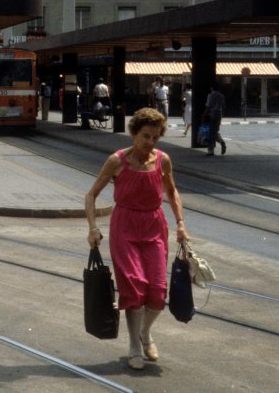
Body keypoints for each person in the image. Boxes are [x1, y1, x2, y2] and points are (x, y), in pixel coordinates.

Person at [85, 108, 189, 370]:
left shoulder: (163, 160)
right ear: (133, 134)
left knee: (156, 290)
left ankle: (145, 332)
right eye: (145, 136)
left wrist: (180, 223)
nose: (150, 143)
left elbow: (172, 192)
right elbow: (91, 195)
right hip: (125, 226)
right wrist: (92, 228)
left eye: (155, 137)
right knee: (134, 287)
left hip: (154, 225)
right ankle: (134, 344)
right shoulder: (117, 161)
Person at [203, 83, 227, 156]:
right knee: (215, 130)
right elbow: (224, 106)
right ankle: (221, 141)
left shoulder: (210, 95)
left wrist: (203, 115)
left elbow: (208, 106)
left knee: (210, 132)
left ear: (212, 88)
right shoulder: (222, 96)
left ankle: (211, 150)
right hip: (219, 114)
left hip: (212, 114)